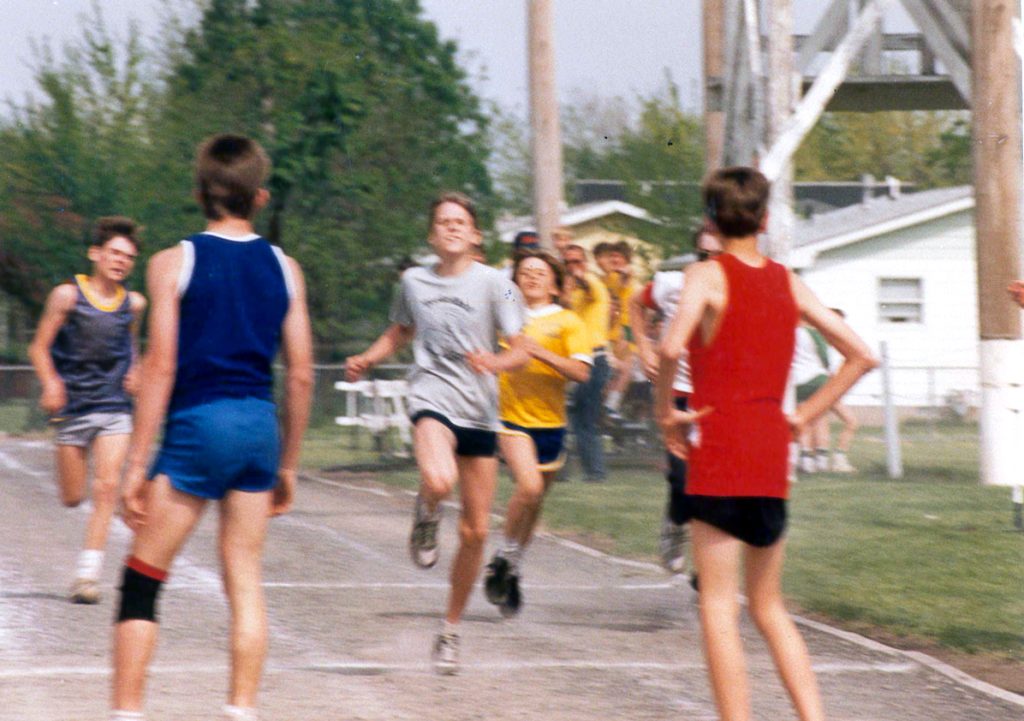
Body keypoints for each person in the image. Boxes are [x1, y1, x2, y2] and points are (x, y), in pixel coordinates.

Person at [655, 166, 877, 721]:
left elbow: (667, 350)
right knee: (769, 605)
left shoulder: (705, 275)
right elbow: (861, 355)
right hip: (771, 454)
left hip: (719, 450)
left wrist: (666, 414)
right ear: (766, 219)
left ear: (709, 220)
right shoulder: (788, 281)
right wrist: (805, 413)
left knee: (717, 606)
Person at [110, 134, 314, 721]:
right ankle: (241, 709)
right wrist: (289, 464)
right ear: (261, 196)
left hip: (201, 425)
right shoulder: (286, 267)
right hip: (258, 427)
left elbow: (162, 365)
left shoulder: (172, 262)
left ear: (199, 193)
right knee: (244, 575)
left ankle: (127, 712)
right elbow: (300, 375)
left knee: (144, 579)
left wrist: (137, 467)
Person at [345, 191, 528, 675]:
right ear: (431, 234)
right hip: (432, 397)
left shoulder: (501, 283)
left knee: (476, 531)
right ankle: (427, 508)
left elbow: (522, 348)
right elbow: (399, 332)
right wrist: (368, 357)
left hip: (480, 412)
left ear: (475, 234)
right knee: (439, 478)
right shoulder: (412, 280)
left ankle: (450, 630)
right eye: (442, 221)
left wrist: (497, 360)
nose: (451, 228)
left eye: (460, 221)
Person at [28, 216, 147, 605]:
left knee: (108, 486)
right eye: (114, 253)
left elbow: (131, 345)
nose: (120, 261)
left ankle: (88, 576)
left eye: (128, 256)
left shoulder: (134, 303)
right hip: (73, 406)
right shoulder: (67, 296)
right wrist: (51, 382)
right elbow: (39, 347)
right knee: (72, 497)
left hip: (114, 405)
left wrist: (135, 369)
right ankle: (85, 564)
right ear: (95, 254)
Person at [483, 250, 591, 617]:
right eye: (524, 272)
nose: (531, 277)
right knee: (527, 488)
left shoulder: (568, 322)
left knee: (535, 503)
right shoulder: (502, 320)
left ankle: (511, 568)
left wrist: (539, 353)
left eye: (540, 272)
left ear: (556, 283)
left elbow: (581, 372)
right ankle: (502, 559)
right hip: (509, 421)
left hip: (551, 424)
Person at [631, 225, 722, 576]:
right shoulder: (674, 283)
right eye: (703, 256)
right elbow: (635, 303)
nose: (710, 264)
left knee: (716, 485)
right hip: (680, 392)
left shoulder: (742, 289)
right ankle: (675, 521)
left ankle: (707, 566)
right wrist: (643, 346)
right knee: (683, 478)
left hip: (720, 398)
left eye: (718, 257)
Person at [561, 242, 612, 482]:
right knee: (571, 418)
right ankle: (566, 470)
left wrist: (577, 277)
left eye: (577, 262)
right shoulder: (569, 292)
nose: (572, 267)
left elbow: (588, 287)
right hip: (574, 361)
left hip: (595, 360)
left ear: (585, 263)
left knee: (585, 420)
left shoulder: (595, 284)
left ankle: (596, 472)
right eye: (567, 262)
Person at [602, 241, 641, 422]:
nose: (613, 259)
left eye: (617, 256)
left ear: (625, 258)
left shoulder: (627, 276)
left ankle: (610, 405)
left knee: (625, 368)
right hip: (613, 330)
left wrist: (624, 272)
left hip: (627, 330)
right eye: (612, 256)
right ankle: (608, 405)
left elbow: (628, 275)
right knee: (620, 369)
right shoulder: (610, 278)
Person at [790, 322, 833, 474]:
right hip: (816, 377)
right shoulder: (812, 332)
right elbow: (824, 355)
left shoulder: (788, 331)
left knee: (804, 419)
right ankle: (821, 459)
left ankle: (806, 457)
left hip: (796, 380)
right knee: (821, 419)